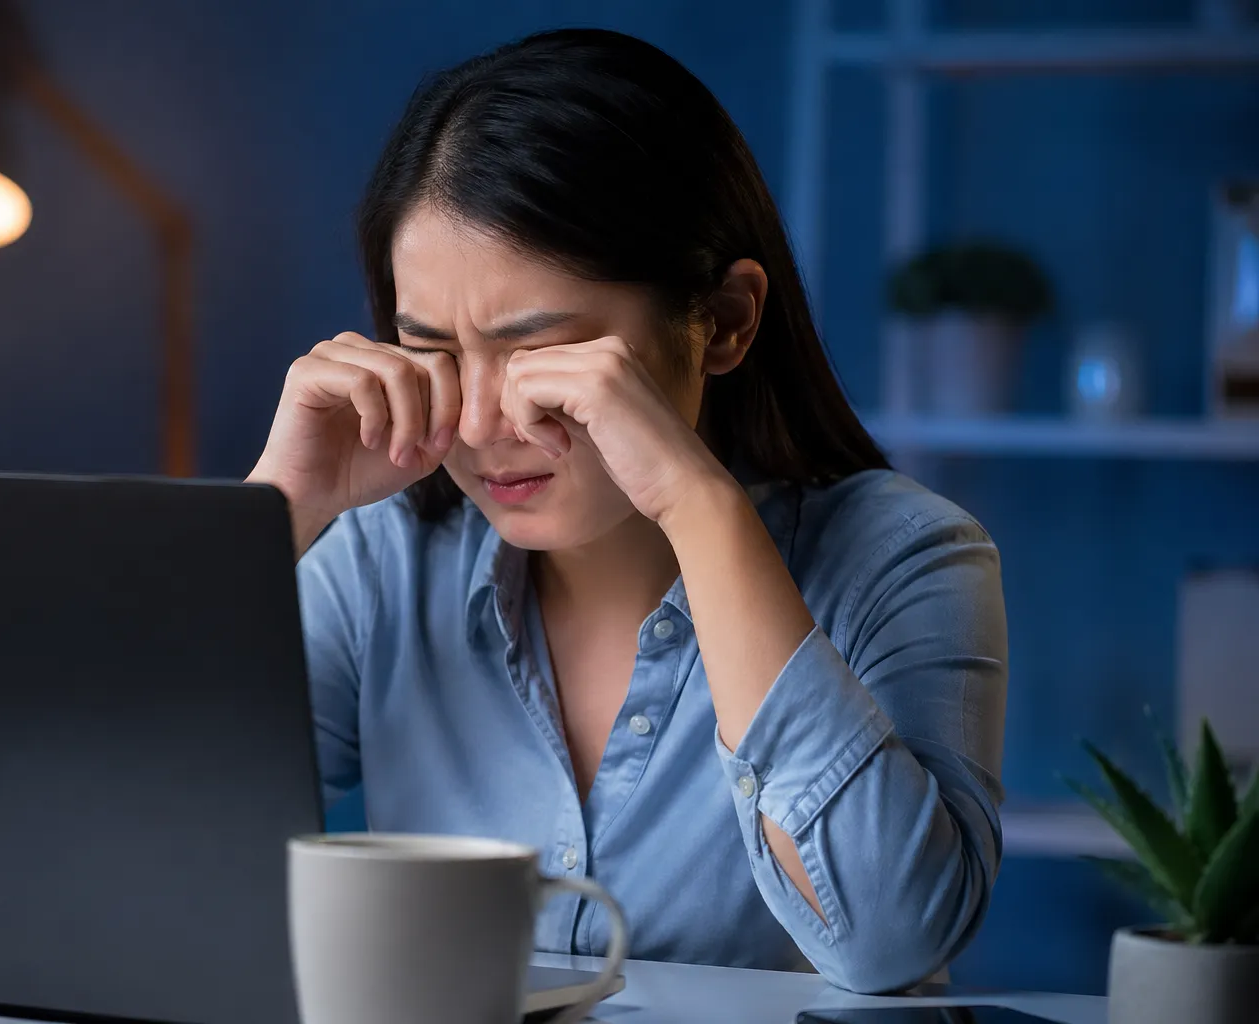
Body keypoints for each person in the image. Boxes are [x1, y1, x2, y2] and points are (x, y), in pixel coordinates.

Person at [246, 28, 1006, 995]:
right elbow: (130, 848)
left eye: (539, 353)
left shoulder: (906, 557)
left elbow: (890, 941)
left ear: (724, 321)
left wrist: (698, 506)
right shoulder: (381, 560)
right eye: (432, 349)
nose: (482, 425)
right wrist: (274, 516)